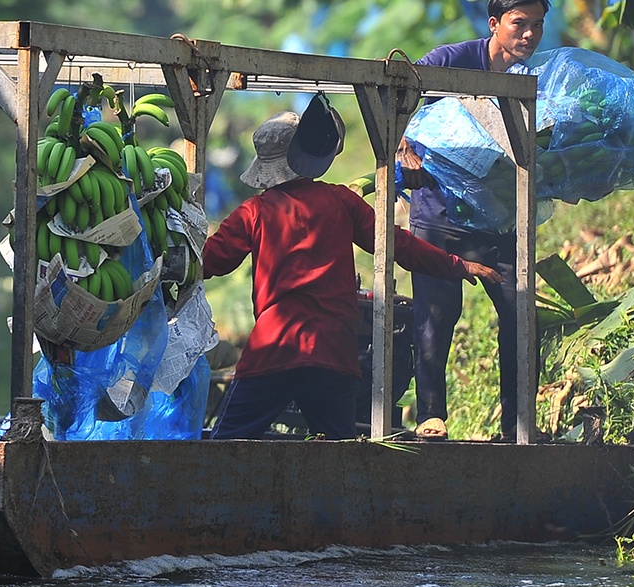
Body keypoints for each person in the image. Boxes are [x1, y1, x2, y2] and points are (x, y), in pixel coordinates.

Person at [202, 99, 499, 440]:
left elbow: (210, 261)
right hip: (333, 352)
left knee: (225, 444)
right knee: (340, 457)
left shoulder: (254, 212)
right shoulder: (341, 201)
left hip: (275, 347)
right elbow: (397, 245)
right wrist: (457, 265)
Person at [401, 0, 551, 440]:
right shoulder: (449, 61)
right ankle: (431, 416)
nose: (529, 35)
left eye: (537, 26)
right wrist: (403, 147)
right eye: (519, 24)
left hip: (499, 220)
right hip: (438, 218)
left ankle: (517, 424)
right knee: (436, 313)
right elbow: (397, 96)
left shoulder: (534, 77)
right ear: (494, 25)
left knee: (521, 316)